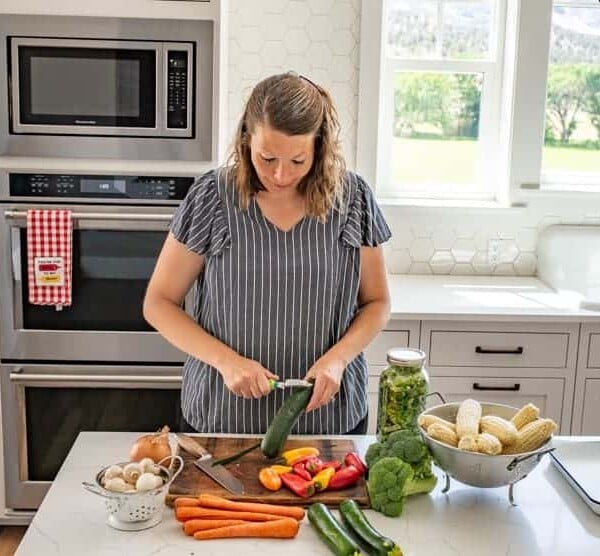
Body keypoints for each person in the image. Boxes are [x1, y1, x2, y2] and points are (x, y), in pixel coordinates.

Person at [143, 72, 392, 435]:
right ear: (247, 140)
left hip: (328, 420)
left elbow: (377, 302)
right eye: (267, 157)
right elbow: (159, 303)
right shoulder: (212, 196)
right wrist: (226, 362)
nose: (280, 174)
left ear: (319, 147)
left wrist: (337, 361)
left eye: (297, 161)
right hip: (223, 418)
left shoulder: (352, 199)